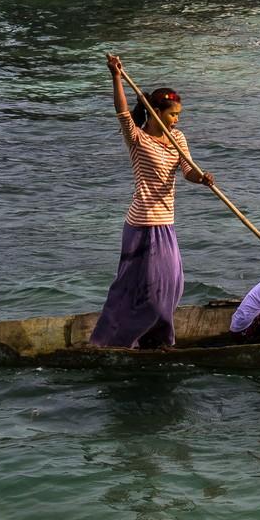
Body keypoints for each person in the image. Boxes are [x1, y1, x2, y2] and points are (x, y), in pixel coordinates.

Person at [89, 54, 214, 349]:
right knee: (138, 291)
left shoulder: (178, 139)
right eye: (172, 114)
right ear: (156, 112)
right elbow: (121, 112)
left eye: (178, 115)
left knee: (173, 287)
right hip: (142, 226)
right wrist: (116, 76)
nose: (176, 120)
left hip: (166, 224)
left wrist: (203, 178)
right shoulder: (137, 138)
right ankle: (117, 341)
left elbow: (188, 172)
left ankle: (156, 340)